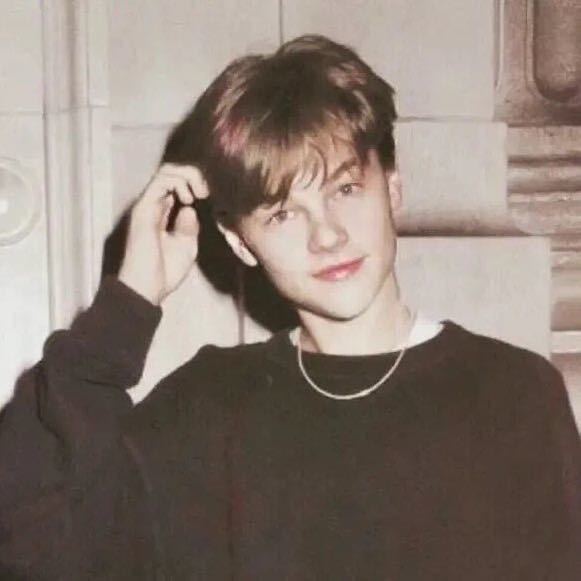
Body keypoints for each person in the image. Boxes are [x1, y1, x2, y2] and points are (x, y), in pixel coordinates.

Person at [1, 35, 580, 580]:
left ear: (392, 187)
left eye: (344, 189)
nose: (326, 235)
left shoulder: (512, 394)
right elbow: (32, 540)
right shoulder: (210, 407)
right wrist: (127, 305)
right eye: (281, 213)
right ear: (239, 242)